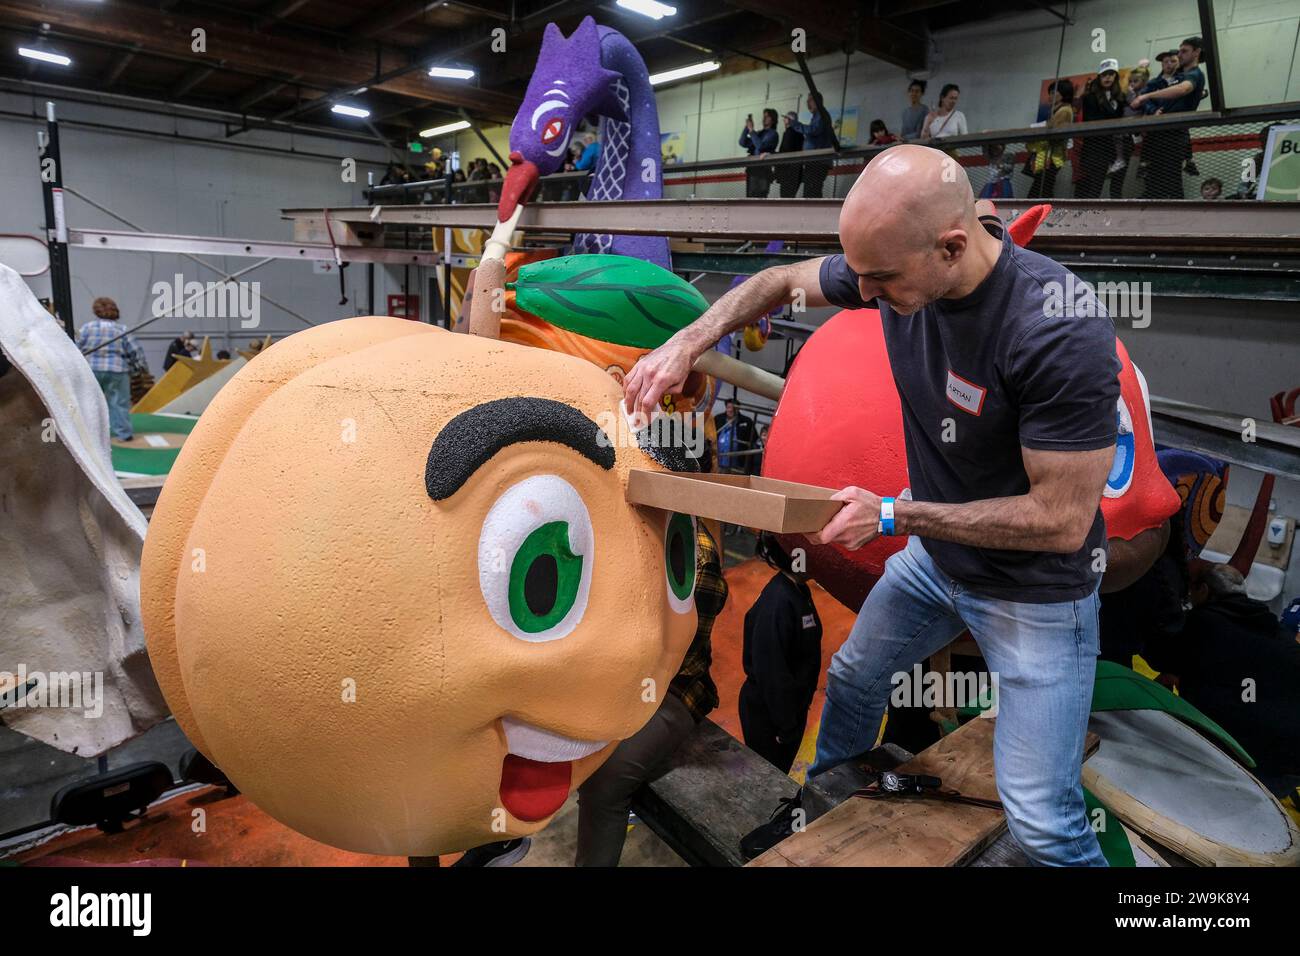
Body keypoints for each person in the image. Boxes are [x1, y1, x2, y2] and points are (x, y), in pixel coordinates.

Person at [624, 144, 1119, 866]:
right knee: (856, 679)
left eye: (879, 280)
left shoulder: (1057, 328)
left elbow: (1060, 522)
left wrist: (895, 514)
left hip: (1034, 595)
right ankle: (822, 819)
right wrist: (687, 344)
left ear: (951, 247)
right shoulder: (894, 264)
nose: (862, 292)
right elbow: (776, 281)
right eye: (857, 275)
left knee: (1042, 819)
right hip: (938, 562)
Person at [1142, 564, 1300, 790]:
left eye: (1191, 591)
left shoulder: (1201, 624)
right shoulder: (1278, 633)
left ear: (1204, 590)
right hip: (1284, 766)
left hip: (1227, 759)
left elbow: (1159, 655)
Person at [740, 533, 823, 774]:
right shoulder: (778, 603)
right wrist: (785, 726)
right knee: (768, 779)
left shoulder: (798, 590)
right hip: (770, 718)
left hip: (789, 712)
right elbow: (772, 673)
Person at [1134, 37, 1206, 199]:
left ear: (1196, 52)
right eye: (1179, 51)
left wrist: (1146, 97)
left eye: (1184, 51)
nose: (1180, 55)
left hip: (1174, 135)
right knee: (1154, 179)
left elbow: (1183, 89)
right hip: (1159, 133)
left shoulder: (1194, 74)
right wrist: (1152, 108)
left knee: (1169, 180)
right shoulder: (1175, 76)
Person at [75, 296, 149, 443]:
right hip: (117, 370)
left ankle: (90, 435)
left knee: (90, 401)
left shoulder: (87, 328)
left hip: (91, 370)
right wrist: (141, 369)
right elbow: (135, 352)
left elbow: (76, 348)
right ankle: (124, 434)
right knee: (119, 403)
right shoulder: (122, 329)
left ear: (96, 310)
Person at [1076, 60, 1125, 198]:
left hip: (1114, 147)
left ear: (1115, 76)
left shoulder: (1120, 97)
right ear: (1099, 77)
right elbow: (1090, 121)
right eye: (1104, 75)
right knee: (1094, 186)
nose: (1107, 78)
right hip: (1096, 147)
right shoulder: (1090, 97)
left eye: (1111, 74)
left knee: (1115, 187)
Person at [1026, 78, 1074, 198]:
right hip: (1050, 155)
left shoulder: (1064, 110)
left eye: (1053, 93)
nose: (1050, 96)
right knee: (1044, 186)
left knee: (1041, 187)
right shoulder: (1058, 110)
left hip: (1052, 155)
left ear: (1063, 94)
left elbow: (1053, 132)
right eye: (1050, 93)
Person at [790, 91, 837, 198]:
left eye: (810, 100)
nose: (808, 103)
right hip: (815, 161)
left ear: (818, 101)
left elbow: (814, 130)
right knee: (811, 190)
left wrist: (796, 125)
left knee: (812, 192)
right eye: (807, 101)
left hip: (817, 161)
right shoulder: (818, 115)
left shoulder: (821, 114)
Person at [739, 108, 779, 197]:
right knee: (750, 196)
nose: (764, 118)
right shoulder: (759, 133)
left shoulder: (773, 134)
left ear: (773, 119)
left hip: (763, 171)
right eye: (763, 116)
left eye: (767, 116)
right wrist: (747, 128)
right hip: (752, 170)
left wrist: (751, 130)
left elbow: (761, 146)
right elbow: (742, 142)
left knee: (760, 197)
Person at [714, 398, 756, 473]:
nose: (731, 410)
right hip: (718, 462)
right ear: (726, 407)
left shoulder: (747, 421)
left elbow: (754, 439)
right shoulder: (718, 418)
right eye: (729, 407)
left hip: (737, 465)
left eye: (734, 408)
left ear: (738, 409)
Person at [775, 110, 804, 198]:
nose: (784, 120)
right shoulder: (800, 134)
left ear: (789, 120)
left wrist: (773, 155)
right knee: (790, 197)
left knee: (785, 198)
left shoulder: (789, 132)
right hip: (796, 171)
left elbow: (786, 150)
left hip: (787, 172)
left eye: (785, 118)